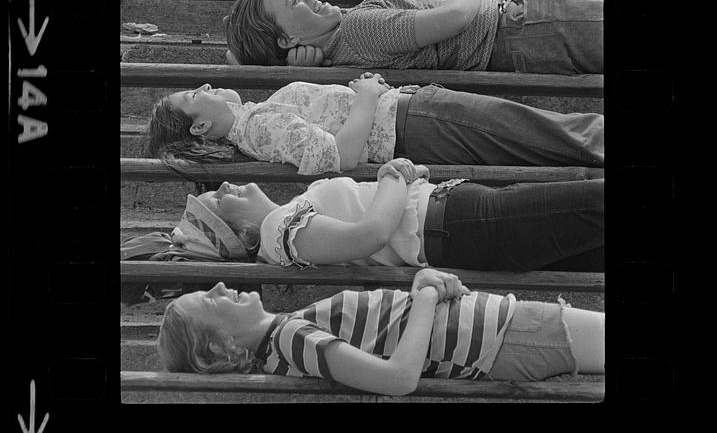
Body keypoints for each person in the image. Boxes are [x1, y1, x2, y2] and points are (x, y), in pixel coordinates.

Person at [157, 270, 605, 393]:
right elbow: (398, 378)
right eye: (209, 299)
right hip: (504, 335)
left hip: (501, 330)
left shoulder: (287, 335)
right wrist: (425, 294)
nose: (217, 285)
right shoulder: (290, 339)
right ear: (220, 345)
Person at [166, 157, 603, 272]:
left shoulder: (288, 215)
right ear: (242, 235)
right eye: (217, 202)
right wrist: (393, 176)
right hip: (459, 226)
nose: (222, 186)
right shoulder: (279, 230)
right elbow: (369, 235)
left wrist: (402, 183)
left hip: (459, 218)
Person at [144, 76, 604, 173]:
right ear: (200, 128)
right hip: (412, 122)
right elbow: (337, 157)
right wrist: (367, 96)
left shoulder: (253, 120)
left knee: (537, 133)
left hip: (415, 118)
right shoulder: (258, 125)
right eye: (193, 96)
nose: (204, 86)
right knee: (544, 130)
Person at [224, 0, 603, 75]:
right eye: (295, 2)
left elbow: (238, 61)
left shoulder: (339, 54)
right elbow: (456, 16)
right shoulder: (358, 30)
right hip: (518, 28)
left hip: (519, 42)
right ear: (287, 39)